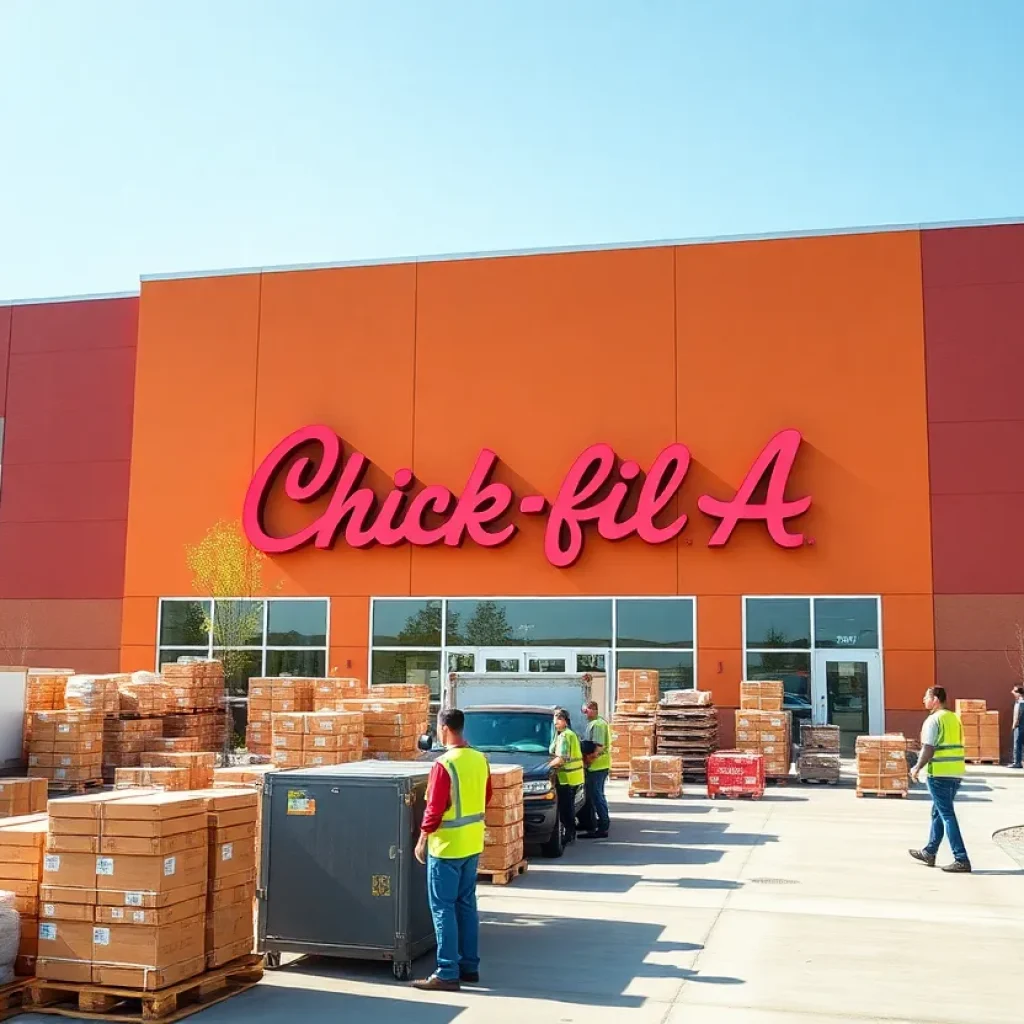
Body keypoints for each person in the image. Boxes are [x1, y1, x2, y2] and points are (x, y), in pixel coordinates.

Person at [413, 708, 492, 991]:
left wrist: (422, 839)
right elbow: (487, 795)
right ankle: (470, 966)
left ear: (444, 727)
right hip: (472, 843)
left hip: (446, 847)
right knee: (467, 905)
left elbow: (434, 808)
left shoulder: (444, 764)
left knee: (443, 908)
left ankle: (447, 972)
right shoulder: (479, 760)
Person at [908, 686, 971, 873]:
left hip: (939, 773)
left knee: (947, 815)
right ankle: (930, 851)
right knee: (938, 812)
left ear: (935, 699)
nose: (923, 700)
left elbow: (928, 748)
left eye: (926, 697)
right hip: (955, 772)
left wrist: (917, 767)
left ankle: (961, 858)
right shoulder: (954, 718)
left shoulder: (933, 720)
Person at [549, 708, 584, 845]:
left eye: (558, 720)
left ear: (564, 721)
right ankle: (571, 833)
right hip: (574, 777)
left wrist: (547, 767)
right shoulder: (570, 734)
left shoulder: (564, 736)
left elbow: (562, 758)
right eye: (555, 720)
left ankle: (569, 834)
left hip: (566, 779)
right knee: (568, 808)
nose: (556, 723)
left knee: (565, 809)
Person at [580, 700, 611, 839]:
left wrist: (588, 761)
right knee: (595, 795)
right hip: (599, 765)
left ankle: (603, 826)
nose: (585, 714)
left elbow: (598, 747)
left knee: (597, 796)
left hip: (597, 765)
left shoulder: (598, 725)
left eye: (586, 711)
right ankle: (593, 823)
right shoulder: (596, 723)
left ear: (592, 709)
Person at [1012, 685, 1024, 769]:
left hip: (1019, 726)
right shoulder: (1018, 702)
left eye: (1015, 691)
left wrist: (1015, 724)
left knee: (1017, 744)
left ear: (1019, 694)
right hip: (1019, 725)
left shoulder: (1021, 703)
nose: (1012, 692)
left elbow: (1018, 715)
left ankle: (1017, 762)